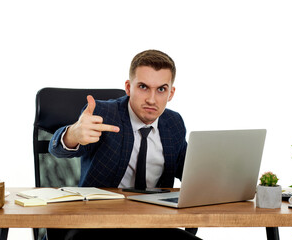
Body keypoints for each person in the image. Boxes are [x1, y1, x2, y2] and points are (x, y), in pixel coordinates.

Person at [48, 50, 199, 240]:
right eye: (143, 87)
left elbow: (188, 171)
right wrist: (72, 135)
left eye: (161, 89)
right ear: (128, 87)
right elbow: (57, 149)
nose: (152, 99)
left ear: (171, 93)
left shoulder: (173, 123)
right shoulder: (104, 113)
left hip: (153, 225)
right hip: (97, 225)